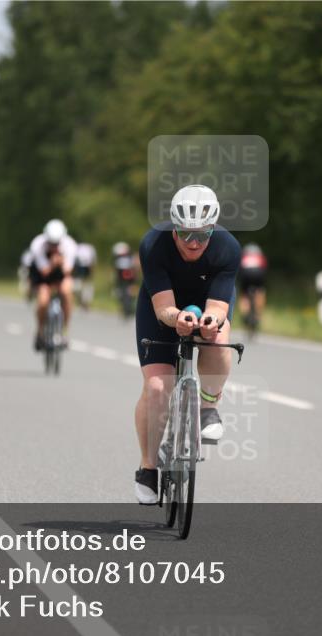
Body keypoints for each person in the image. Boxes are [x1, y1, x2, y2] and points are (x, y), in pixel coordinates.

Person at [133, 184, 241, 504]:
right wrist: (177, 317)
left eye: (202, 235)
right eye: (185, 234)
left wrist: (210, 322)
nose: (194, 243)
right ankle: (148, 468)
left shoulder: (228, 247)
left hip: (207, 302)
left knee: (219, 339)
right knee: (156, 388)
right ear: (174, 229)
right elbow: (163, 307)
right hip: (162, 308)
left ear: (213, 230)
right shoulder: (153, 244)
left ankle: (208, 408)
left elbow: (219, 307)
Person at [28, 219, 77, 349]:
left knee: (66, 291)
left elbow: (68, 270)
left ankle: (65, 329)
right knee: (43, 300)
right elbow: (43, 271)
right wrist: (52, 263)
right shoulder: (37, 244)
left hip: (61, 274)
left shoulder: (69, 245)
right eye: (51, 243)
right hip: (42, 275)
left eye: (57, 243)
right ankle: (40, 331)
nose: (54, 246)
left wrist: (61, 262)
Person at [238, 243, 268, 332]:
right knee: (260, 291)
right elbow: (265, 269)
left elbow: (239, 270)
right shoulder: (260, 257)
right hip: (259, 275)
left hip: (246, 276)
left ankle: (245, 314)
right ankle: (258, 315)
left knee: (244, 293)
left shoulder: (243, 257)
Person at [112, 241, 137, 318]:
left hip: (126, 280)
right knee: (124, 294)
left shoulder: (127, 259)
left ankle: (129, 309)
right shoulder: (128, 258)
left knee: (128, 294)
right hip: (124, 280)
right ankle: (127, 309)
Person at [74, 241, 97, 309]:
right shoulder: (78, 247)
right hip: (79, 268)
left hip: (86, 268)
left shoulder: (89, 248)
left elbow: (93, 259)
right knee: (78, 286)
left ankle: (85, 302)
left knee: (86, 285)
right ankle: (82, 301)